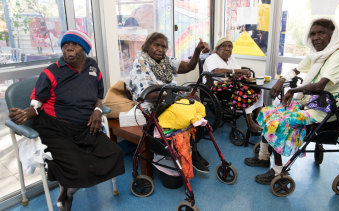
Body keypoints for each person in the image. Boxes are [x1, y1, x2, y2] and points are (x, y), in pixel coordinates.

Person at [9, 30, 125, 211]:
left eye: (74, 45)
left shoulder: (93, 67)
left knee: (115, 154)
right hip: (55, 128)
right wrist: (25, 114)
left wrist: (96, 110)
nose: (68, 49)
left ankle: (69, 187)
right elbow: (36, 105)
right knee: (77, 169)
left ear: (84, 49)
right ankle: (66, 193)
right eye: (65, 45)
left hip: (85, 126)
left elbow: (99, 96)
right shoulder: (51, 72)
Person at [244, 18, 339, 185]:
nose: (316, 37)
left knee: (277, 122)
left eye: (321, 33)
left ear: (333, 34)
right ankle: (264, 156)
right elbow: (298, 68)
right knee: (267, 112)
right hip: (311, 103)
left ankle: (277, 171)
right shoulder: (319, 54)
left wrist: (293, 90)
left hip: (324, 110)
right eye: (313, 34)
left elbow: (319, 86)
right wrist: (282, 80)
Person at [129, 32, 211, 173]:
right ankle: (188, 154)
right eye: (156, 45)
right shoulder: (141, 63)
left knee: (197, 106)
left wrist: (197, 51)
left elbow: (188, 67)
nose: (160, 49)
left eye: (163, 47)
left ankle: (192, 150)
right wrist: (179, 97)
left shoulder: (166, 61)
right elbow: (149, 94)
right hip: (153, 106)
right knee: (187, 113)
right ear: (148, 46)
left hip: (170, 101)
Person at [202, 37, 263, 134]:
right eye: (224, 46)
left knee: (257, 87)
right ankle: (249, 120)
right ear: (217, 49)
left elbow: (237, 70)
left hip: (231, 83)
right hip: (217, 85)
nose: (227, 48)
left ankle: (258, 116)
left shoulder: (231, 58)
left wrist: (239, 73)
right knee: (245, 91)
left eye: (230, 46)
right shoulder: (211, 58)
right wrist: (237, 71)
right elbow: (216, 71)